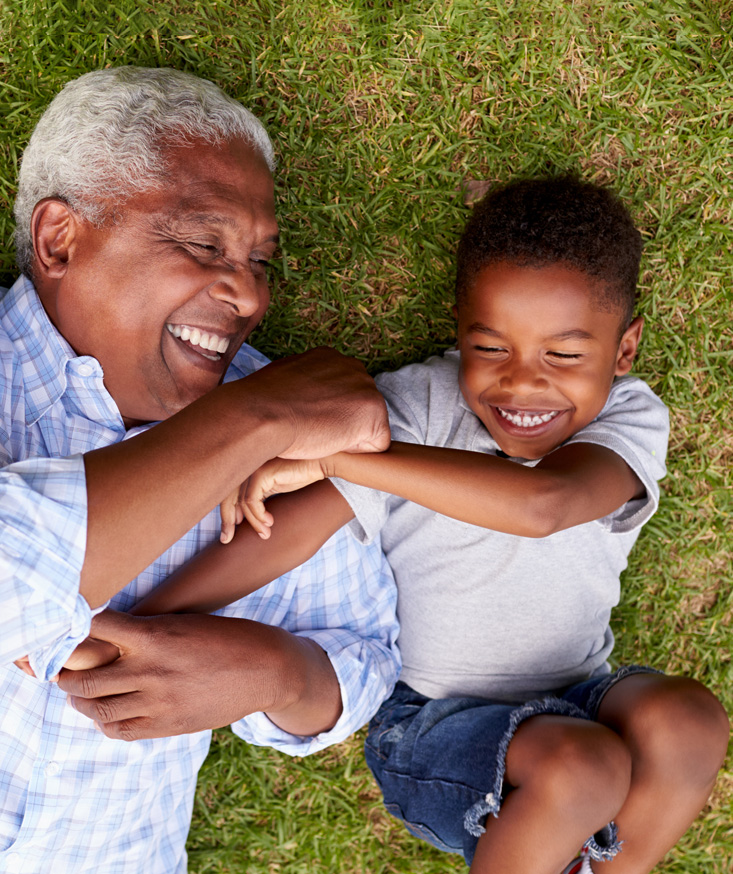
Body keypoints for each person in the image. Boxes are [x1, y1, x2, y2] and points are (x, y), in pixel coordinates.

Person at [0, 67, 401, 873]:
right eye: (202, 244)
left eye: (259, 260)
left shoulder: (277, 421)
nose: (246, 294)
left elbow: (361, 657)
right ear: (59, 240)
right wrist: (256, 418)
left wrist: (271, 673)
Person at [81, 177, 731, 874]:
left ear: (623, 350)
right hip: (430, 724)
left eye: (564, 356)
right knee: (584, 765)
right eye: (490, 349)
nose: (521, 385)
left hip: (581, 689)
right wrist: (145, 620)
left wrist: (344, 457)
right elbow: (295, 530)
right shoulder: (415, 404)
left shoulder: (626, 417)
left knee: (688, 721)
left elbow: (545, 506)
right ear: (459, 329)